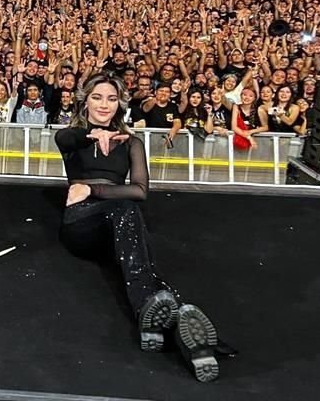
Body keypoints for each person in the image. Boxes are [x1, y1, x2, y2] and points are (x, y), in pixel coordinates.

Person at [54, 72, 224, 382]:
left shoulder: (132, 142)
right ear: (85, 100)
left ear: (120, 103)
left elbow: (140, 191)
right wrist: (93, 135)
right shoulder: (72, 136)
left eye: (110, 98)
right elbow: (65, 139)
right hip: (82, 225)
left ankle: (186, 342)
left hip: (117, 215)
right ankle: (151, 311)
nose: (104, 104)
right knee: (132, 229)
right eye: (97, 97)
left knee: (129, 216)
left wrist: (93, 189)